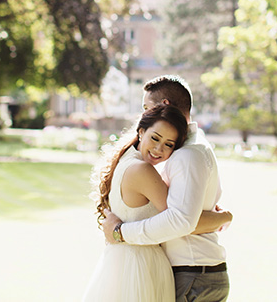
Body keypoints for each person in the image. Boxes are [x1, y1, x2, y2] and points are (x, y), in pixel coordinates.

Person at [83, 103, 231, 302]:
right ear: (141, 131)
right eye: (155, 138)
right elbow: (184, 222)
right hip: (141, 265)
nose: (159, 149)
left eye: (169, 144)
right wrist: (224, 217)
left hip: (124, 262)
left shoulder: (126, 160)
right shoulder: (142, 171)